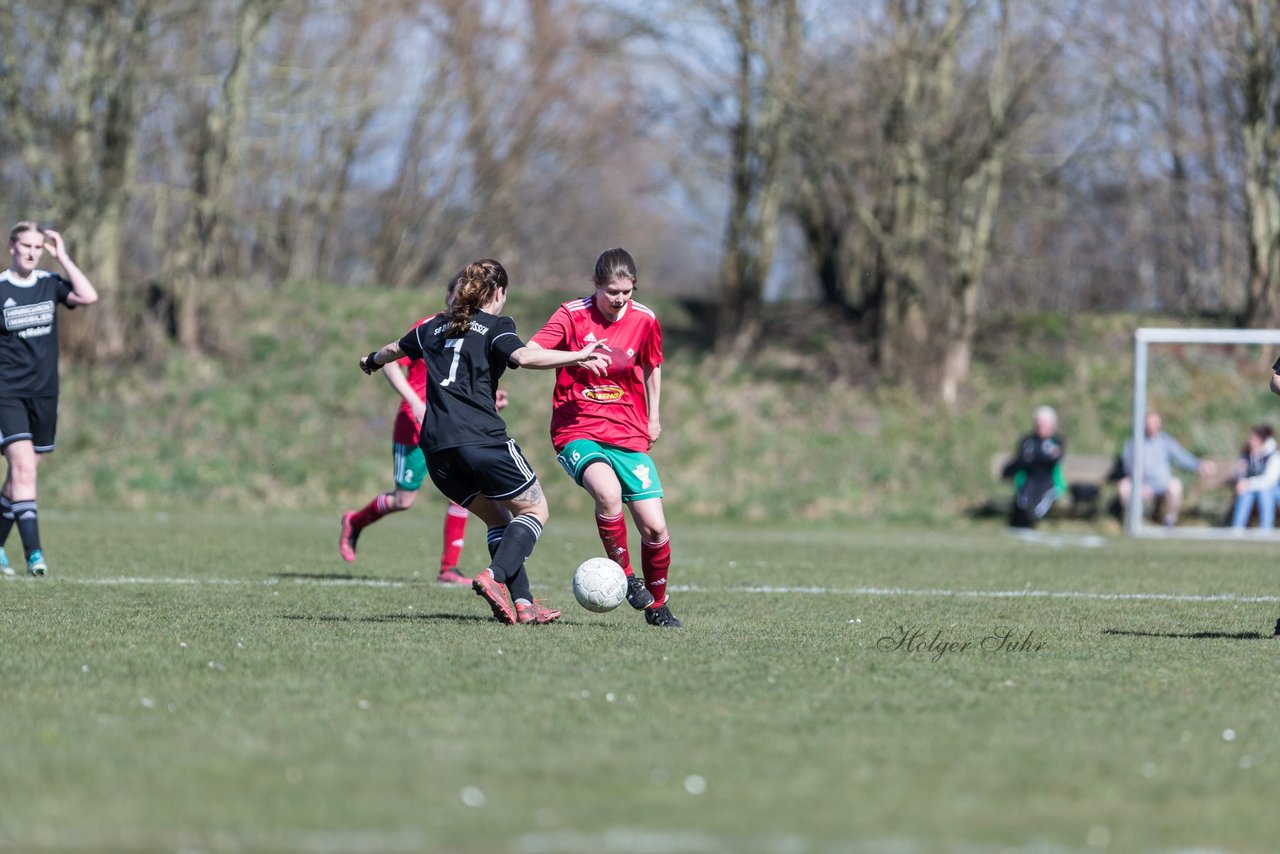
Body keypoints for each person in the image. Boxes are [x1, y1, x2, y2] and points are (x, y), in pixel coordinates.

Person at [358, 259, 609, 625]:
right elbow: (522, 356)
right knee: (535, 511)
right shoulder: (496, 325)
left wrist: (369, 361)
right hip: (481, 440)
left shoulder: (432, 326)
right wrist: (579, 356)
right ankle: (493, 576)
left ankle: (524, 604)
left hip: (436, 448)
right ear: (500, 292)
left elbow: (392, 350)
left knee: (498, 520)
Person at [526, 247, 682, 628]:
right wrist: (576, 356)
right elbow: (528, 354)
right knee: (608, 494)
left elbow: (652, 365)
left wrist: (654, 417)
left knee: (655, 527)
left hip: (628, 431)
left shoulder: (645, 319)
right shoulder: (571, 314)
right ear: (596, 284)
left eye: (627, 292)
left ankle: (657, 606)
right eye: (612, 291)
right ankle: (626, 576)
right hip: (576, 428)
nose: (619, 300)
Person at [340, 271, 509, 585]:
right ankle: (354, 520)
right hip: (415, 424)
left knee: (465, 492)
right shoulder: (432, 326)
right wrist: (414, 402)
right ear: (448, 297)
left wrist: (487, 401)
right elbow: (389, 361)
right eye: (456, 295)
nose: (461, 301)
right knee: (404, 500)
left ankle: (448, 568)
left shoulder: (474, 331)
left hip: (452, 425)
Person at [0, 222, 99, 577]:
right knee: (24, 469)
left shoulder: (48, 283)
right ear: (11, 246)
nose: (31, 252)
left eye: (38, 247)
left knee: (22, 474)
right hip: (7, 393)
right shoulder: (0, 288)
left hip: (44, 394)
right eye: (25, 245)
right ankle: (35, 555)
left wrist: (64, 257)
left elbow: (88, 296)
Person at [1118, 410, 1215, 527]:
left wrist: (1199, 465)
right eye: (1149, 423)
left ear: (1159, 425)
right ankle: (1133, 521)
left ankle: (1170, 521)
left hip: (1162, 484)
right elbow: (1128, 466)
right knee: (1124, 487)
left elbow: (1182, 457)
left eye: (1155, 423)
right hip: (1140, 484)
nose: (1152, 426)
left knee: (1176, 486)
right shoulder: (1134, 442)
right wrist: (1141, 485)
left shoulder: (1165, 441)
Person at [1001, 405, 1066, 529]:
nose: (1040, 426)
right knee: (1024, 503)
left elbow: (1053, 460)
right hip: (1029, 480)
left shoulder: (1056, 442)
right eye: (1039, 422)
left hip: (1047, 482)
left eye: (1044, 423)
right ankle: (1022, 524)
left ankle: (1030, 523)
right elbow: (1021, 460)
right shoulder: (1027, 440)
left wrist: (1034, 457)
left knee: (1036, 509)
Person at [1230, 424, 1280, 530]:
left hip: (1273, 489)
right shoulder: (1247, 454)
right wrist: (1240, 475)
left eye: (1254, 439)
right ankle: (1237, 528)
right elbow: (1239, 473)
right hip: (1252, 487)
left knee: (1265, 493)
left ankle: (1266, 529)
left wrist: (1248, 483)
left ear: (1261, 440)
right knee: (1245, 494)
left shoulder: (1274, 455)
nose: (1250, 441)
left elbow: (1269, 481)